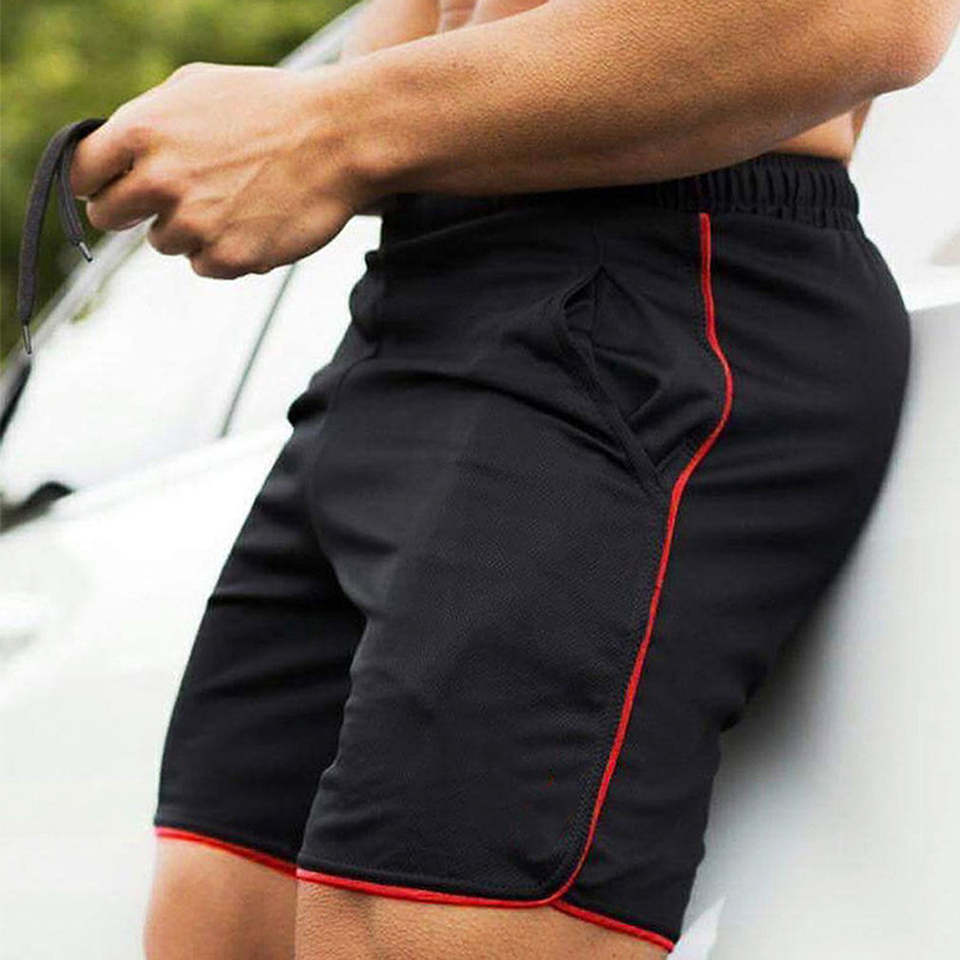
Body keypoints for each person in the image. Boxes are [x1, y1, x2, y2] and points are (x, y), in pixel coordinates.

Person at [68, 1, 959, 957]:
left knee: (405, 926)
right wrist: (296, 129)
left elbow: (867, 16)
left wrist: (330, 123)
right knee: (217, 917)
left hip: (651, 296)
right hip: (415, 291)